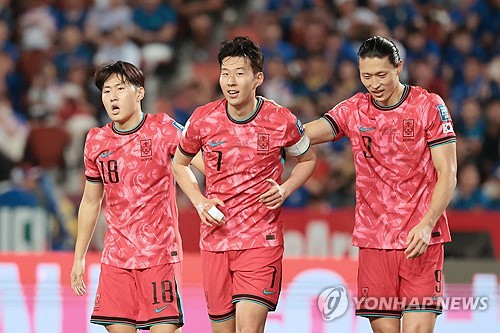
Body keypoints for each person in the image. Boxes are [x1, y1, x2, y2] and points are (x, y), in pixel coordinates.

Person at [304, 36, 457, 333]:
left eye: (381, 75)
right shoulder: (354, 109)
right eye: (366, 76)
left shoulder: (428, 105)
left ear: (399, 67)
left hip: (420, 238)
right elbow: (308, 134)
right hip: (374, 240)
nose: (373, 83)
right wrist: (267, 129)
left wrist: (427, 224)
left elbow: (448, 171)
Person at [172, 36, 317, 333]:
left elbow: (308, 159)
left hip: (260, 241)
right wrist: (199, 201)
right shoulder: (203, 119)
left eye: (240, 73)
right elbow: (179, 162)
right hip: (215, 240)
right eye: (225, 73)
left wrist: (285, 189)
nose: (231, 81)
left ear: (257, 78)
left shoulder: (281, 120)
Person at [70, 61, 201, 333]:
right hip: (117, 258)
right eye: (107, 91)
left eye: (120, 88)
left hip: (160, 255)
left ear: (139, 93)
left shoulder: (162, 128)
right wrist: (78, 257)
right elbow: (91, 201)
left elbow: (203, 164)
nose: (113, 96)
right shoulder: (96, 140)